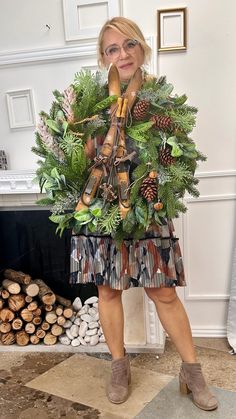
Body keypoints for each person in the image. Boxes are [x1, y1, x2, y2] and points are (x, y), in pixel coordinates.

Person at [80, 16, 218, 411]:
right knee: (108, 290)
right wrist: (92, 138)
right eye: (112, 48)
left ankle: (192, 372)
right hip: (102, 203)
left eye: (129, 45)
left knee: (163, 292)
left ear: (141, 48)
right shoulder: (93, 99)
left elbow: (176, 155)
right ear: (103, 56)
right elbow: (82, 154)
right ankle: (119, 366)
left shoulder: (161, 99)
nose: (122, 54)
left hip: (147, 204)